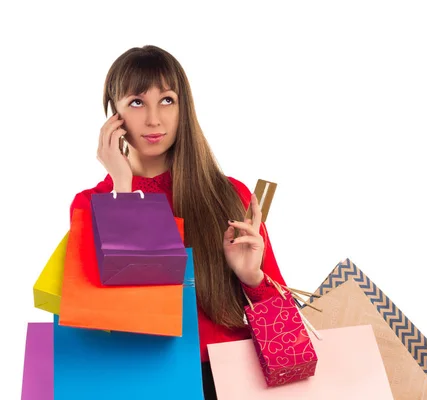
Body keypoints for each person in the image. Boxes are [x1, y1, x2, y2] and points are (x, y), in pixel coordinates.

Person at [69, 45, 287, 399]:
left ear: (184, 107)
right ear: (114, 114)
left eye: (167, 100)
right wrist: (122, 192)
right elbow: (108, 317)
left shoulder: (229, 194)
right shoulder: (92, 205)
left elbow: (283, 331)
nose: (154, 119)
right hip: (144, 383)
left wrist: (252, 278)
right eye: (137, 102)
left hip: (231, 381)